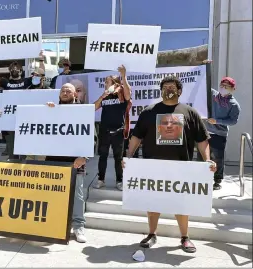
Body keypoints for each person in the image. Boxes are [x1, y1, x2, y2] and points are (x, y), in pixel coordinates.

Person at [124, 75, 217, 253]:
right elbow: (136, 137)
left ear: (179, 91)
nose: (168, 89)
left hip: (181, 168)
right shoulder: (149, 112)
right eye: (165, 87)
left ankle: (185, 237)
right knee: (153, 203)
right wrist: (128, 156)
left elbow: (202, 139)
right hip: (153, 167)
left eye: (172, 87)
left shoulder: (190, 112)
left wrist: (208, 160)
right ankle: (152, 234)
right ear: (161, 90)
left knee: (181, 205)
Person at [44, 83, 89, 243]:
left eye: (68, 90)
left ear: (75, 94)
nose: (64, 92)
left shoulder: (84, 111)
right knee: (54, 194)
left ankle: (78, 227)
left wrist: (84, 156)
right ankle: (56, 225)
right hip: (54, 161)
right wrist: (47, 110)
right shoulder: (52, 110)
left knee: (77, 196)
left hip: (75, 162)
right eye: (62, 90)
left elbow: (92, 137)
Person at [0, 51, 45, 160]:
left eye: (17, 68)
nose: (15, 69)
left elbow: (40, 74)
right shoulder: (5, 82)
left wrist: (41, 60)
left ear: (21, 71)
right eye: (12, 68)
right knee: (12, 149)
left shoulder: (27, 81)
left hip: (25, 120)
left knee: (24, 149)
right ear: (9, 71)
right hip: (10, 121)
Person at [197, 76, 241, 190]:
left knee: (217, 158)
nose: (223, 88)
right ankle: (200, 179)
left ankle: (217, 180)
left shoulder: (234, 104)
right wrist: (203, 65)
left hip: (219, 134)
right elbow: (204, 85)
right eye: (222, 85)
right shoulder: (214, 95)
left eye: (226, 86)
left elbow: (233, 121)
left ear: (233, 89)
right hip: (205, 131)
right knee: (201, 156)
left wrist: (217, 121)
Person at [93, 65, 132, 191]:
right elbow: (93, 107)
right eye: (105, 82)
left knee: (118, 158)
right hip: (104, 131)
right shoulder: (106, 96)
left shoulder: (121, 96)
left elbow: (128, 93)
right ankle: (101, 179)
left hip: (118, 131)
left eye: (107, 82)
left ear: (115, 83)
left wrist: (123, 76)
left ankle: (120, 181)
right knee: (102, 156)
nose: (105, 84)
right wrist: (102, 96)